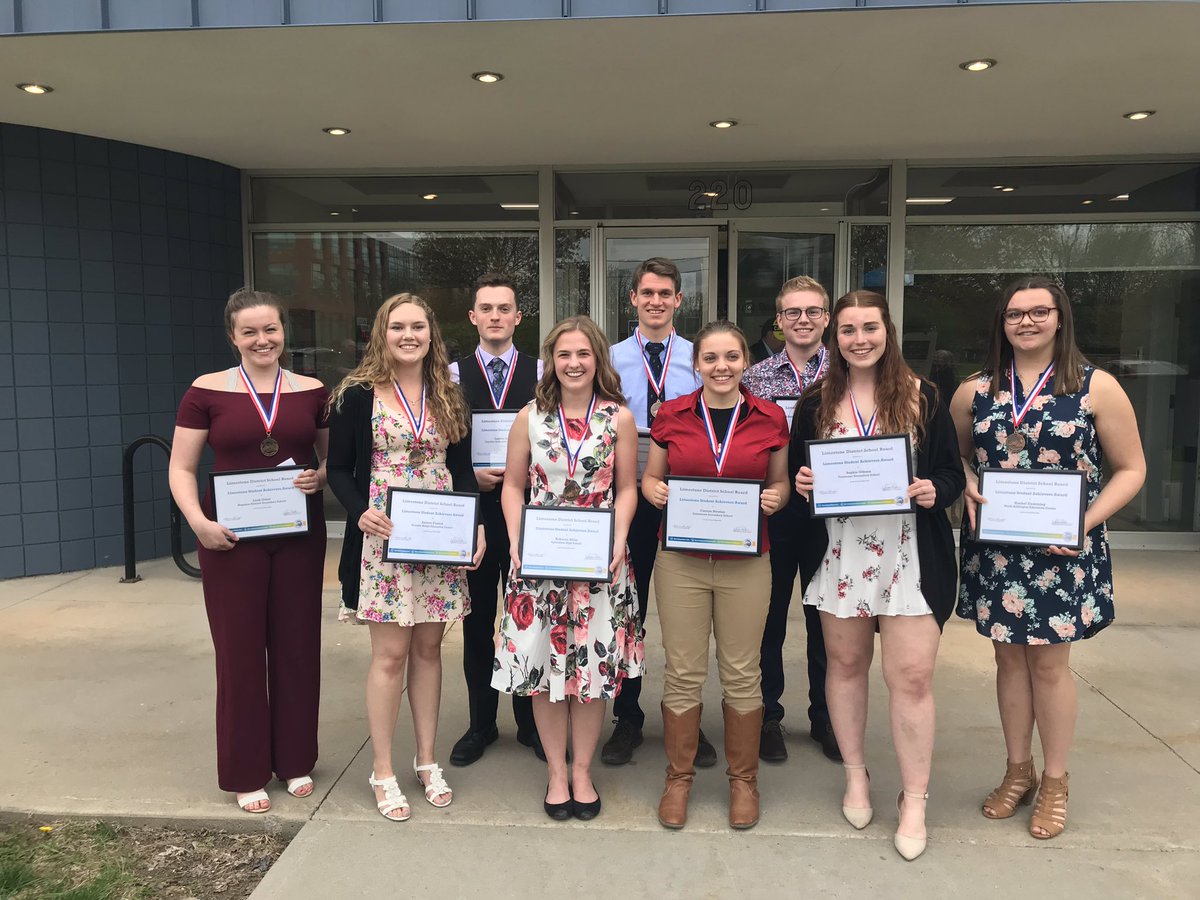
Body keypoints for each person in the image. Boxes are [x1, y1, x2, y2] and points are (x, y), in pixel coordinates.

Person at [951, 276, 1145, 840]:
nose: (1027, 322)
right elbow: (954, 458)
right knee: (1008, 661)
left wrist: (1085, 521)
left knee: (1049, 667)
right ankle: (1019, 771)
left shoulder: (1096, 387)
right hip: (998, 551)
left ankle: (1055, 781)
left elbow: (1132, 469)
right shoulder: (975, 390)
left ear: (1061, 319)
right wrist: (966, 483)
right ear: (1002, 322)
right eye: (1015, 313)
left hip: (1064, 549)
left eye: (1039, 312)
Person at [792, 290, 963, 861]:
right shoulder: (814, 402)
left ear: (887, 331)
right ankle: (856, 775)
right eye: (848, 330)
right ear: (834, 337)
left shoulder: (923, 397)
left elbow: (951, 473)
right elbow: (798, 474)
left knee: (911, 679)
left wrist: (936, 489)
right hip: (842, 559)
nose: (859, 339)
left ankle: (914, 799)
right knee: (844, 668)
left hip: (910, 560)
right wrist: (803, 484)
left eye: (869, 327)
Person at [168, 288, 328, 814]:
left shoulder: (312, 390)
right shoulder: (205, 391)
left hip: (298, 537)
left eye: (270, 329)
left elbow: (332, 460)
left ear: (284, 331)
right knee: (239, 654)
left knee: (297, 648)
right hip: (229, 540)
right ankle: (245, 770)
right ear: (233, 337)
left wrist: (320, 476)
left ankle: (295, 759)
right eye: (250, 332)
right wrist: (198, 524)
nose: (262, 340)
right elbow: (181, 467)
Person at [327, 293, 485, 823]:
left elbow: (461, 469)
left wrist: (475, 525)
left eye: (418, 326)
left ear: (431, 333)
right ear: (382, 332)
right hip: (385, 536)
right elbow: (338, 468)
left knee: (429, 651)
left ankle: (426, 760)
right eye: (398, 326)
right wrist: (359, 512)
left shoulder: (449, 393)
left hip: (439, 536)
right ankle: (382, 770)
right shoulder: (355, 394)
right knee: (390, 655)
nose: (408, 335)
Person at [492, 316, 643, 821]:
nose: (574, 363)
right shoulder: (529, 417)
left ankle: (582, 770)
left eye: (583, 354)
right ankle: (556, 772)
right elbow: (513, 486)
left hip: (600, 562)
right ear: (550, 361)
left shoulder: (619, 417)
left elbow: (627, 487)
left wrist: (619, 537)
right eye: (563, 354)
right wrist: (516, 540)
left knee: (592, 672)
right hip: (539, 563)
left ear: (597, 358)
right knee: (544, 671)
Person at [642, 320, 790, 830]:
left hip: (746, 563)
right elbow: (651, 477)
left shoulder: (770, 416)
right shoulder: (672, 414)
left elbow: (780, 484)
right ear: (696, 364)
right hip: (680, 562)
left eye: (731, 357)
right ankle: (678, 778)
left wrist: (776, 499)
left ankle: (743, 780)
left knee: (742, 671)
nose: (721, 367)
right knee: (683, 671)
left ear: (745, 362)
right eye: (710, 358)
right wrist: (654, 491)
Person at [604, 257, 714, 768]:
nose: (655, 301)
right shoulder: (609, 358)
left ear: (678, 300)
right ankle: (627, 717)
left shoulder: (700, 356)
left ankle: (686, 718)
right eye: (646, 293)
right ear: (633, 299)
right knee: (628, 608)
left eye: (665, 293)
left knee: (686, 615)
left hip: (686, 496)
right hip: (626, 491)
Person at [447, 272, 545, 766]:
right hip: (475, 512)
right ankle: (480, 723)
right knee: (478, 620)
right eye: (486, 308)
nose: (495, 316)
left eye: (504, 308)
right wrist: (468, 476)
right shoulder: (450, 376)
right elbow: (440, 447)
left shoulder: (544, 372)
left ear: (518, 316)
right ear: (473, 316)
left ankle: (530, 722)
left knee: (529, 616)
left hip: (531, 513)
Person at [742, 275, 839, 764]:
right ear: (779, 320)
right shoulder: (754, 379)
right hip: (774, 512)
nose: (803, 320)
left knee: (827, 622)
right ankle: (768, 716)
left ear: (827, 318)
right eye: (793, 312)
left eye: (813, 311)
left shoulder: (849, 373)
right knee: (770, 619)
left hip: (834, 515)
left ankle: (826, 716)